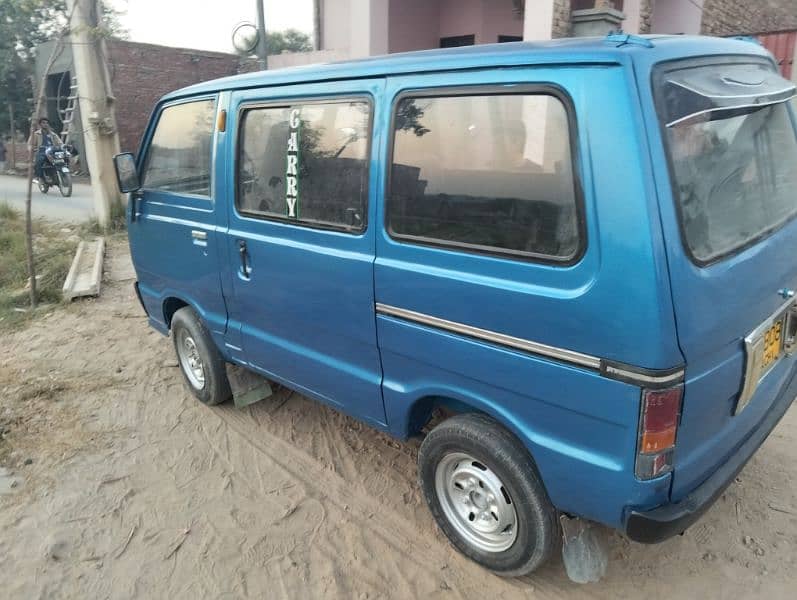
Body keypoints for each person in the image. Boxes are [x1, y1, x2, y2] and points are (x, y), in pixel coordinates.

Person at [28, 117, 63, 182]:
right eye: (43, 123)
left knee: (63, 159)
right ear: (40, 124)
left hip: (52, 151)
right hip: (42, 151)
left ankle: (63, 174)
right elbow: (30, 144)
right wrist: (32, 149)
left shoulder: (52, 134)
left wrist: (62, 146)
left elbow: (59, 142)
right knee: (39, 161)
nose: (45, 124)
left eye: (47, 123)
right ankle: (39, 176)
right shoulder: (36, 134)